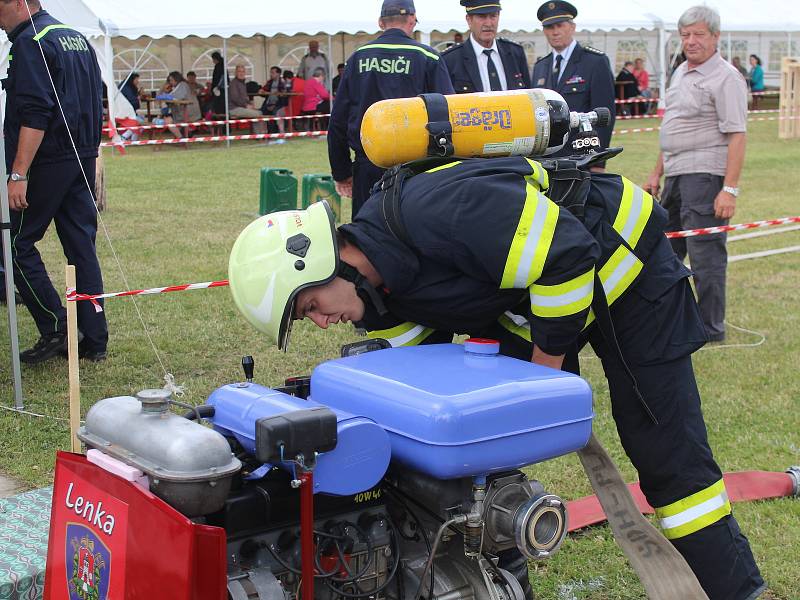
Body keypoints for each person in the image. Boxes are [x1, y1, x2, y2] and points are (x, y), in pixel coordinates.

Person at [230, 150, 766, 600]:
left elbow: (569, 257)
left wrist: (542, 377)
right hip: (541, 299)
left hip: (623, 267)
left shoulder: (435, 212)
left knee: (666, 455)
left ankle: (733, 588)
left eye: (311, 306)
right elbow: (415, 384)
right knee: (490, 450)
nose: (323, 322)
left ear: (323, 263)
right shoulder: (381, 295)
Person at [0, 0, 108, 363]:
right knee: (81, 247)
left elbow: (35, 112)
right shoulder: (75, 36)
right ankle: (94, 338)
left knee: (15, 244)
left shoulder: (31, 41)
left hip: (47, 160)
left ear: (19, 3)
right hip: (81, 155)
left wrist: (18, 173)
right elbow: (98, 97)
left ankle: (58, 327)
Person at [644, 5, 748, 344]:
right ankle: (671, 320)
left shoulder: (726, 77)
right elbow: (671, 128)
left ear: (715, 37)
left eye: (698, 34)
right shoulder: (680, 73)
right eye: (685, 35)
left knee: (705, 256)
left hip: (704, 177)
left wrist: (729, 189)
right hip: (675, 175)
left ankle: (710, 328)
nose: (691, 41)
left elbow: (737, 135)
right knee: (664, 253)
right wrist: (656, 174)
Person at [327, 0, 453, 218]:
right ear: (412, 20)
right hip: (417, 169)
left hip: (368, 166)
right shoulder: (429, 58)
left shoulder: (358, 58)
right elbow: (450, 114)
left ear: (380, 22)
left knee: (367, 236)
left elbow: (338, 121)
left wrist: (342, 172)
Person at [531, 1, 616, 160]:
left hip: (581, 156)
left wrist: (598, 160)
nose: (555, 32)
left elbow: (605, 113)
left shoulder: (595, 62)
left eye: (560, 25)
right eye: (550, 27)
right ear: (544, 31)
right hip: (546, 159)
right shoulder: (540, 67)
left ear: (572, 27)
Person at [441, 0, 530, 94]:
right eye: (481, 16)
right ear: (469, 20)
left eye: (493, 16)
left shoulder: (515, 53)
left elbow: (529, 96)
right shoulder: (450, 60)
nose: (488, 23)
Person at [164, 71, 202, 139]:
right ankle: (185, 134)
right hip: (187, 112)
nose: (170, 83)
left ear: (176, 79)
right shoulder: (182, 85)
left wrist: (163, 92)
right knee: (169, 118)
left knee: (168, 121)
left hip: (189, 113)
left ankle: (181, 138)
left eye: (171, 80)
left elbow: (173, 96)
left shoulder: (182, 85)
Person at [262, 66, 287, 135]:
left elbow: (284, 94)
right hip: (268, 103)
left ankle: (276, 132)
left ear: (278, 74)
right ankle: (264, 133)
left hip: (279, 104)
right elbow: (264, 89)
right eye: (271, 72)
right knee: (260, 112)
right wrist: (261, 90)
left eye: (273, 73)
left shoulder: (282, 82)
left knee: (275, 112)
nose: (271, 74)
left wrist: (274, 105)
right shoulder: (269, 82)